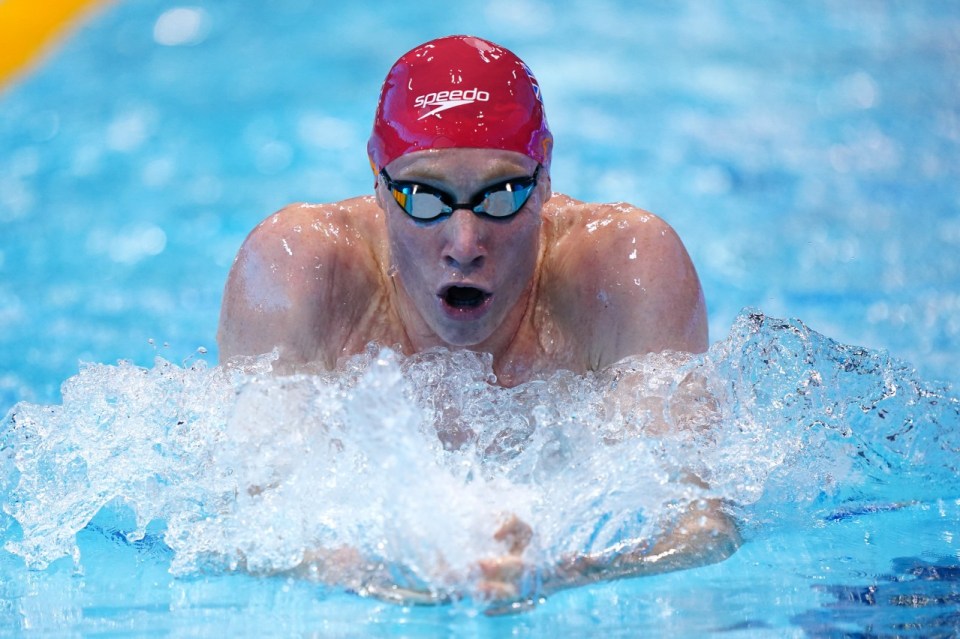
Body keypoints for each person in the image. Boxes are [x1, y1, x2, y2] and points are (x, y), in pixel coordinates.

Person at [218, 35, 737, 609]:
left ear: (545, 177)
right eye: (422, 195)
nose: (464, 243)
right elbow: (243, 522)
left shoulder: (626, 272)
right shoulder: (297, 271)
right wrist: (372, 570)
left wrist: (566, 572)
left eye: (501, 194)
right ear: (377, 179)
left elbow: (700, 524)